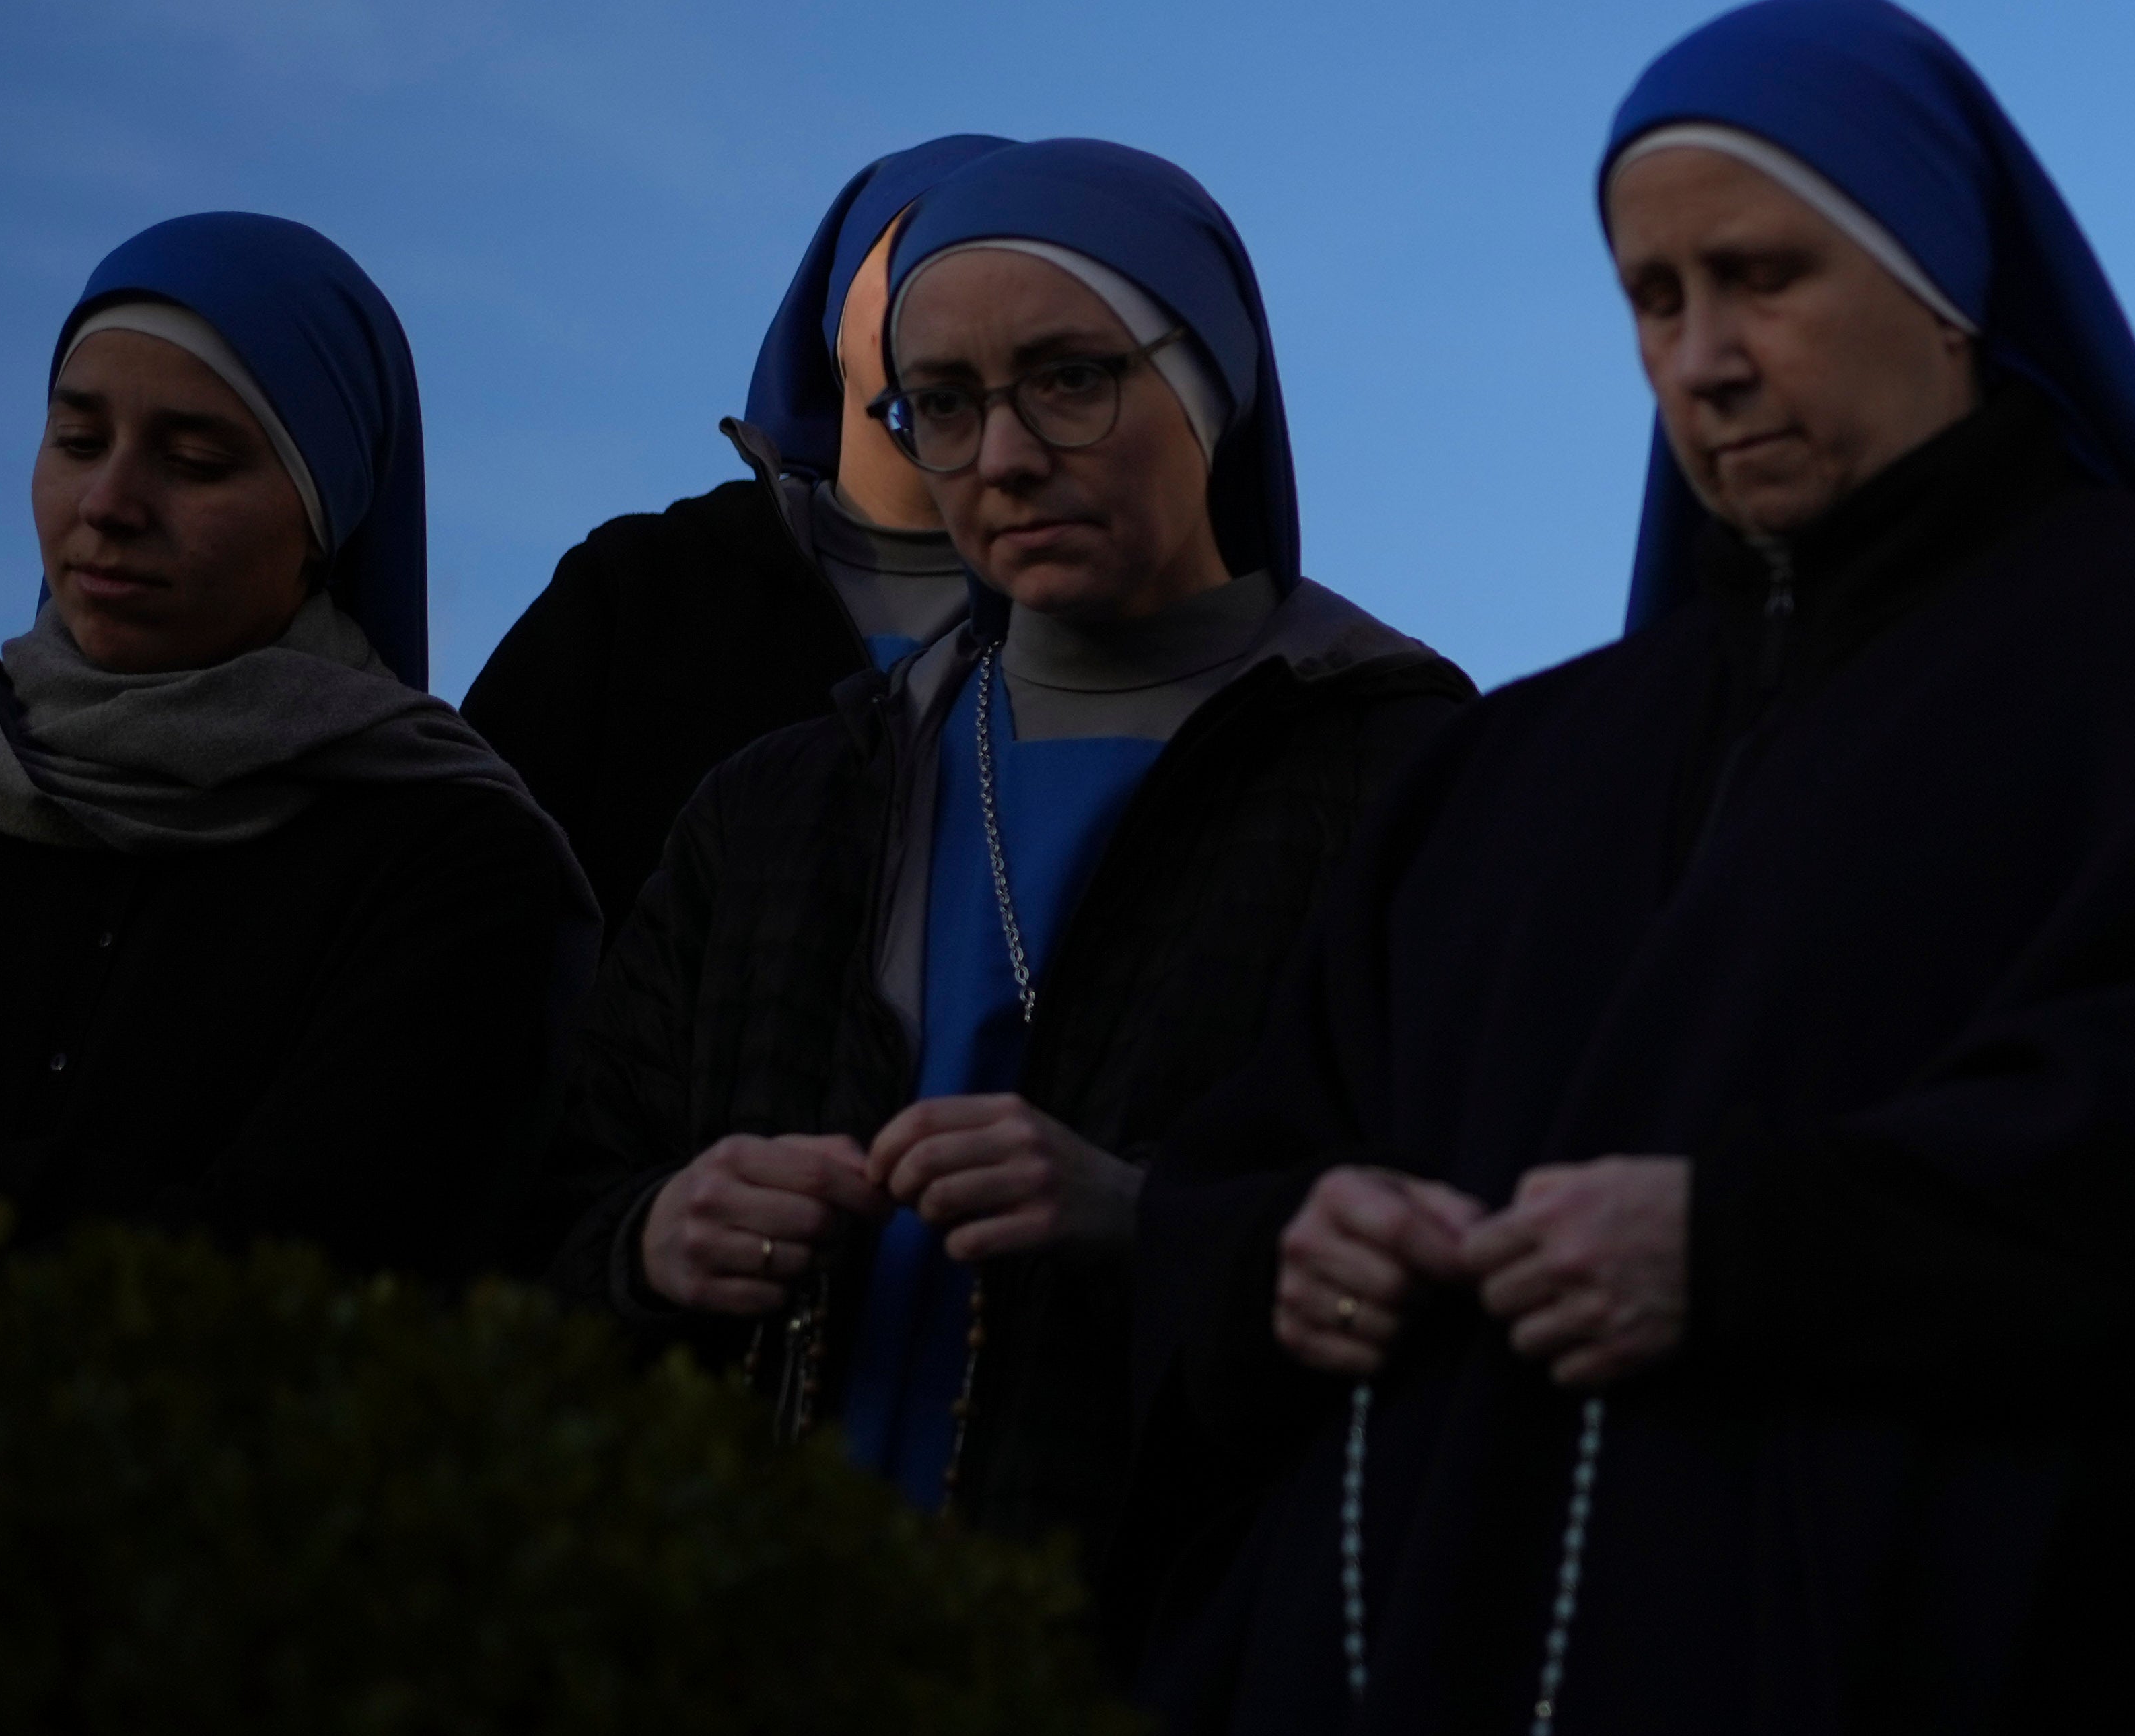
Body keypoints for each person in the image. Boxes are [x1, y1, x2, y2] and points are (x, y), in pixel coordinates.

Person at [1131, 0, 2135, 1736]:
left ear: (1947, 282)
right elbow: (1262, 1150)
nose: (1705, 355)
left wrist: (1751, 1250)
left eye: (1767, 276)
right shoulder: (1508, 769)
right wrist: (1288, 1246)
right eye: (1657, 296)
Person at [537, 139, 1465, 1591]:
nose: (1004, 456)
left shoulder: (1412, 777)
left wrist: (1147, 1217)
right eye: (946, 407)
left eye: (1071, 380)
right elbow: (553, 1205)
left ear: (1210, 382)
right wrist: (654, 1236)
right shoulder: (779, 811)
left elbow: (1474, 1239)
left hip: (1173, 1681)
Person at [0, 214, 589, 1280]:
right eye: (78, 443)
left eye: (196, 462)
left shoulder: (451, 859)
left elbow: (321, 1261)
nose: (109, 507)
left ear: (325, 515)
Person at [467, 133, 1014, 922]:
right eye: (925, 243)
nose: (961, 290)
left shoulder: (1110, 617)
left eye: (1010, 266)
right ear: (835, 307)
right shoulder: (646, 585)